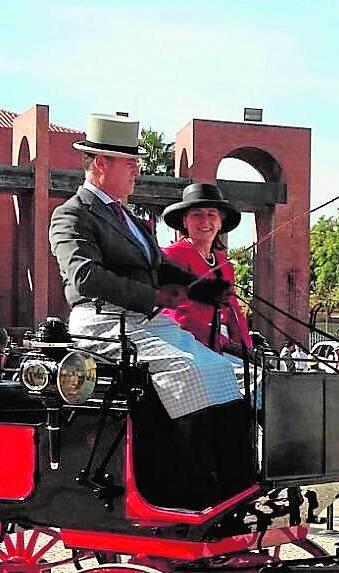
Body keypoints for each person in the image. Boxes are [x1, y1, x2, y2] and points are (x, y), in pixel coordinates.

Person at [49, 113, 246, 508]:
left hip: (143, 322)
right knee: (187, 369)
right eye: (130, 163)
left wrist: (204, 287)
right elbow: (85, 277)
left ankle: (231, 481)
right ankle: (182, 488)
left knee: (224, 369)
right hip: (103, 322)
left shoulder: (130, 218)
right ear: (101, 164)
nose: (138, 170)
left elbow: (161, 266)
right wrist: (152, 297)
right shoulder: (72, 214)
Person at [159, 183, 253, 357]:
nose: (205, 221)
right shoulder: (172, 255)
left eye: (211, 214)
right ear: (185, 222)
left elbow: (233, 310)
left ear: (220, 223)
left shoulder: (225, 264)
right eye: (196, 215)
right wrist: (222, 343)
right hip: (188, 342)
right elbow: (179, 311)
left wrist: (246, 347)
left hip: (225, 344)